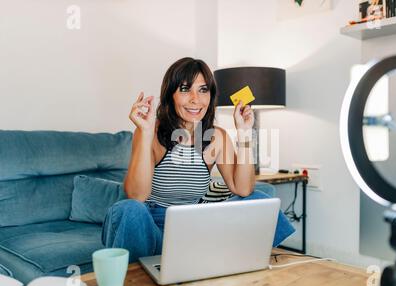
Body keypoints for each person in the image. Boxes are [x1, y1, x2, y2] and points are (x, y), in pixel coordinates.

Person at [102, 57, 295, 262]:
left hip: (192, 227)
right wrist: (146, 132)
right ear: (170, 95)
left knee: (258, 200)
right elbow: (136, 195)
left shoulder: (216, 137)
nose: (196, 99)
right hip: (150, 226)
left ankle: (241, 265)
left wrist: (245, 133)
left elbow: (244, 190)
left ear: (210, 96)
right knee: (130, 209)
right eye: (185, 89)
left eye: (203, 90)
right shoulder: (151, 131)